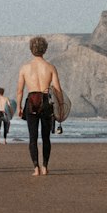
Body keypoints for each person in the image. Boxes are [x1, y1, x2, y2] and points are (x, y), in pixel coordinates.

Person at [16, 36, 65, 177]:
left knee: (32, 137)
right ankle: (45, 167)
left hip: (31, 100)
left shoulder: (25, 68)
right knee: (45, 137)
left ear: (31, 49)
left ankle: (36, 168)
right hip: (45, 101)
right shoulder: (50, 67)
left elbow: (20, 90)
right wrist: (60, 106)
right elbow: (57, 89)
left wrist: (19, 107)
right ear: (45, 49)